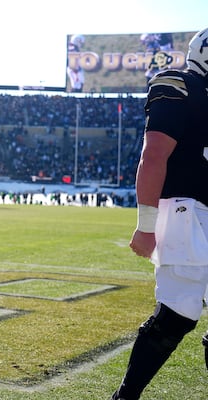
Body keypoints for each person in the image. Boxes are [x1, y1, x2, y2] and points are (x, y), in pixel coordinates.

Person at [112, 28, 208, 400]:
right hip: (189, 212)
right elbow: (153, 155)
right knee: (176, 313)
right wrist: (146, 225)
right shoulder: (180, 84)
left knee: (177, 314)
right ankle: (126, 396)